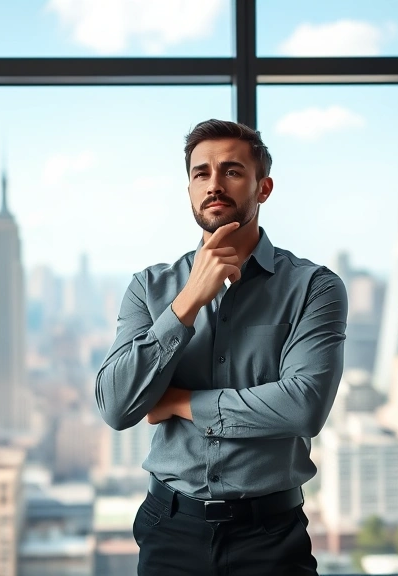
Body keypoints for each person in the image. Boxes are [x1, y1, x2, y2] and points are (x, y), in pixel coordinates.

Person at [95, 118, 348, 575]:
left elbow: (303, 406)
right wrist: (189, 300)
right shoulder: (149, 288)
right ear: (190, 190)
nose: (214, 184)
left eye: (231, 171)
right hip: (169, 528)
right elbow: (116, 406)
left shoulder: (314, 287)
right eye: (201, 173)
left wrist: (178, 401)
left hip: (271, 536)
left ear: (263, 187)